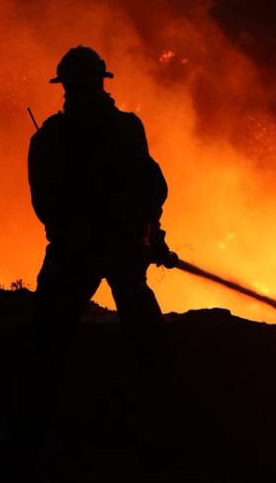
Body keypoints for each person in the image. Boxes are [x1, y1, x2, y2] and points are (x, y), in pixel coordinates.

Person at [13, 45, 177, 457]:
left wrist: (144, 235)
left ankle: (30, 437)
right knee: (144, 335)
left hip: (75, 252)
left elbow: (45, 203)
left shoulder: (50, 137)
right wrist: (146, 234)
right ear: (101, 82)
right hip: (116, 248)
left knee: (49, 340)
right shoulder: (125, 128)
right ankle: (160, 430)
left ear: (65, 87)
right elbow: (151, 188)